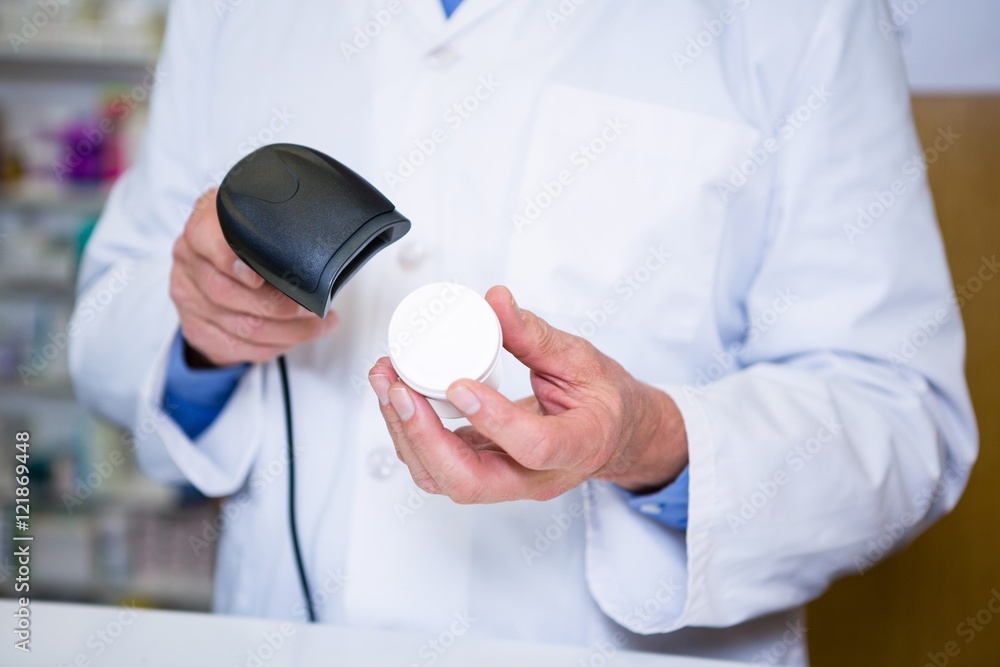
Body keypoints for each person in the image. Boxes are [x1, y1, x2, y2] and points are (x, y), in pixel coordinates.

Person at [69, 0, 978, 664]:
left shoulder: (801, 17)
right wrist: (200, 331)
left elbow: (901, 414)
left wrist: (648, 440)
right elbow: (112, 310)